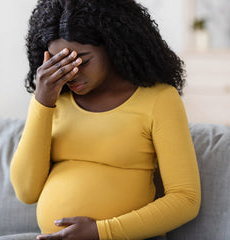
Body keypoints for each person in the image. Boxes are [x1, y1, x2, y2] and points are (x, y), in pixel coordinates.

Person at [10, 0, 201, 239]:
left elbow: (185, 199)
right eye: (59, 64)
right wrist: (42, 102)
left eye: (82, 60)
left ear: (114, 46)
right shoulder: (54, 101)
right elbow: (26, 191)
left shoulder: (159, 100)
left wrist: (103, 232)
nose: (72, 74)